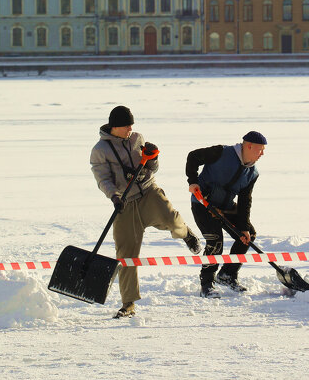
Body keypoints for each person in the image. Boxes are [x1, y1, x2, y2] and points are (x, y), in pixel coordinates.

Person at [90, 105, 201, 319]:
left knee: (170, 218)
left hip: (149, 192)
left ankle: (185, 233)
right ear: (114, 126)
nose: (130, 128)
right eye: (126, 125)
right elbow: (102, 178)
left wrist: (153, 159)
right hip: (124, 202)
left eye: (132, 124)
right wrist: (114, 197)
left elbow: (151, 168)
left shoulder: (137, 138)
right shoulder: (100, 150)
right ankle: (128, 304)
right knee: (126, 254)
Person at [186, 130, 267, 298]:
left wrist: (243, 228)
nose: (262, 154)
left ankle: (228, 274)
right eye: (260, 149)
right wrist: (192, 180)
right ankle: (207, 284)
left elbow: (245, 201)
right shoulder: (221, 152)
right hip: (203, 204)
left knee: (248, 235)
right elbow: (193, 156)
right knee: (215, 241)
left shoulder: (252, 173)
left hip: (226, 207)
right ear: (249, 146)